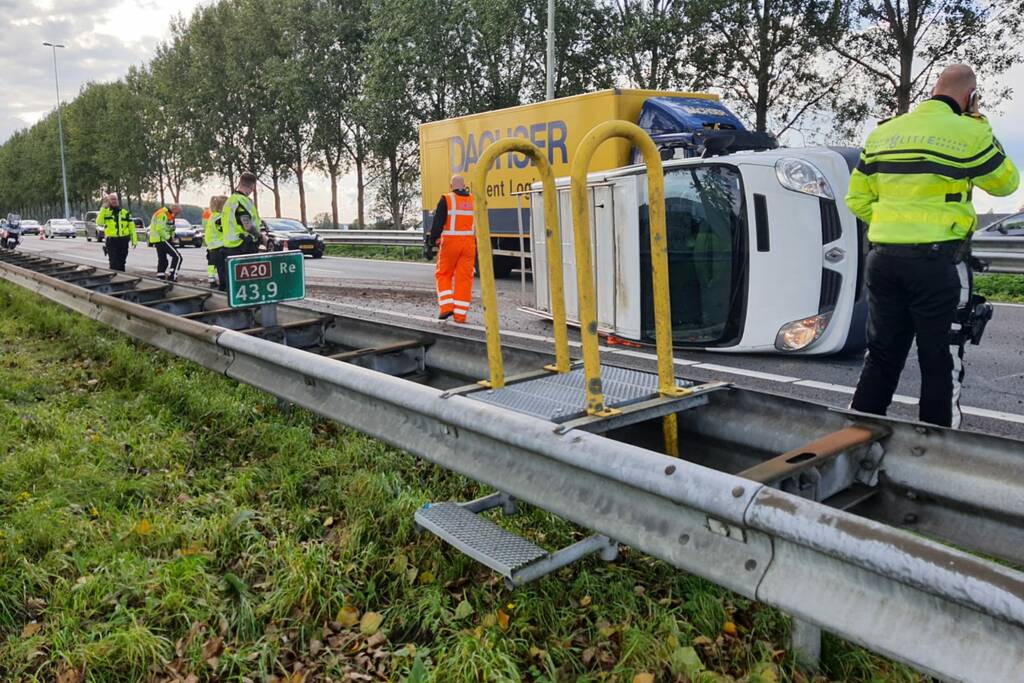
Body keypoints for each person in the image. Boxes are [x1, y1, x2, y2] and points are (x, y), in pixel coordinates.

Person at [846, 64, 1019, 428]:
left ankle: (855, 439)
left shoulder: (884, 133)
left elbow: (856, 200)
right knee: (939, 360)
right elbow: (1006, 184)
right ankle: (935, 455)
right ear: (971, 98)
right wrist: (979, 123)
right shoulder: (968, 132)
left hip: (884, 259)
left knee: (880, 356)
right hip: (937, 262)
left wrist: (896, 221)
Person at [428, 174, 476, 322]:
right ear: (464, 185)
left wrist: (432, 240)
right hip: (469, 244)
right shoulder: (473, 200)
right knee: (465, 278)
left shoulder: (447, 199)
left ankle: (447, 307)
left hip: (450, 243)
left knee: (443, 274)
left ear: (451, 186)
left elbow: (438, 222)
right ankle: (460, 315)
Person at [221, 172, 263, 265]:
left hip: (230, 246)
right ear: (252, 186)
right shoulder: (242, 201)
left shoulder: (230, 201)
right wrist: (260, 236)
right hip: (243, 246)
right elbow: (247, 225)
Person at [96, 193, 137, 272]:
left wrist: (134, 240)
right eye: (111, 199)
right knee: (114, 263)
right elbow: (99, 222)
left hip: (123, 240)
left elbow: (132, 227)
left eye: (115, 199)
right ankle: (114, 280)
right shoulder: (105, 212)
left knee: (122, 262)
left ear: (118, 200)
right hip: (111, 240)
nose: (114, 201)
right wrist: (103, 208)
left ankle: (122, 280)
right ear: (108, 201)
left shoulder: (125, 213)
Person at [148, 204, 183, 281]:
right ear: (174, 209)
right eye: (177, 213)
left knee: (163, 260)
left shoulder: (168, 215)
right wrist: (169, 237)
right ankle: (172, 276)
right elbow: (159, 228)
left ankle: (160, 276)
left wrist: (173, 235)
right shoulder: (163, 214)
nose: (177, 215)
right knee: (178, 257)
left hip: (158, 239)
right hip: (161, 239)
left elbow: (169, 227)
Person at [205, 195, 227, 289]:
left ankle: (221, 286)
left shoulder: (212, 216)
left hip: (212, 247)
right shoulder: (221, 217)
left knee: (219, 269)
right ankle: (224, 288)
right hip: (221, 246)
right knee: (223, 270)